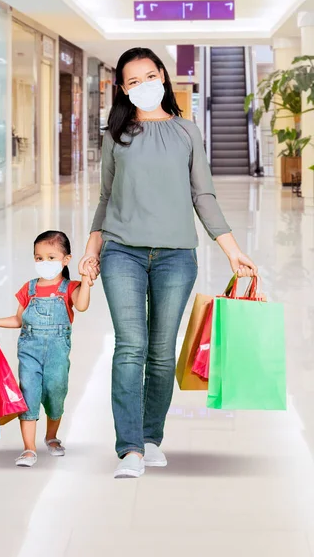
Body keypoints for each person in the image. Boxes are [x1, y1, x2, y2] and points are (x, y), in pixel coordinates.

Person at [79, 47, 257, 479]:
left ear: (163, 76)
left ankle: (151, 437)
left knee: (160, 352)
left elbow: (203, 196)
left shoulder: (186, 132)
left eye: (148, 75)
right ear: (122, 88)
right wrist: (91, 249)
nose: (142, 85)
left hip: (177, 256)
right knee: (131, 346)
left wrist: (232, 250)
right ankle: (130, 449)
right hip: (122, 250)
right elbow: (106, 197)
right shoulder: (115, 135)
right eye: (132, 81)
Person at [0, 230, 97, 468]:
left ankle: (51, 436)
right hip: (29, 353)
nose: (44, 263)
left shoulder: (70, 287)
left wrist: (86, 281)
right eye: (39, 258)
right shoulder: (28, 289)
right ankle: (29, 449)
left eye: (51, 257)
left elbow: (82, 306)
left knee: (55, 394)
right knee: (28, 396)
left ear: (66, 259)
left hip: (57, 356)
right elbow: (18, 320)